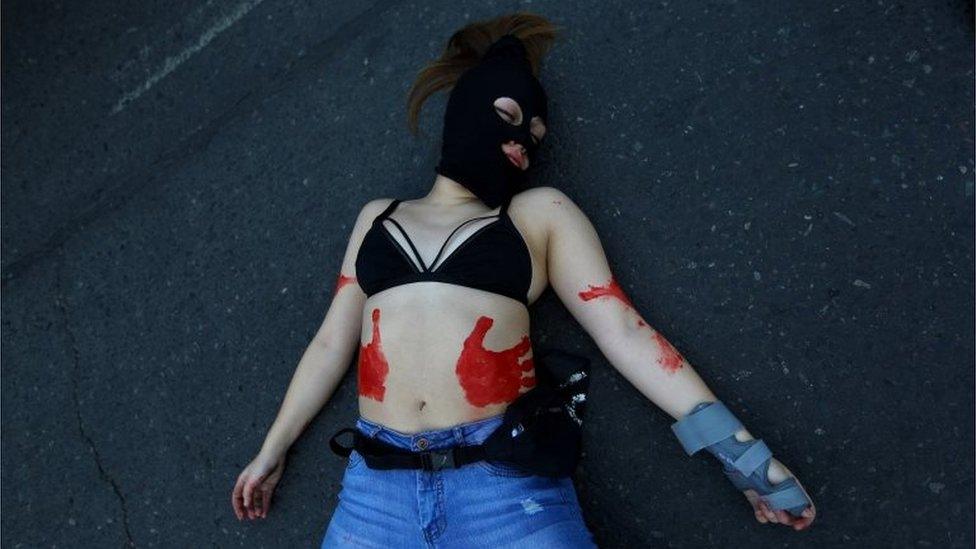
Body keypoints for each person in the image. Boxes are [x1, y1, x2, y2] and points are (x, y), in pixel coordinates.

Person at [231, 12, 817, 547]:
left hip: (504, 490)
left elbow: (624, 331)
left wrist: (744, 456)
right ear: (465, 111)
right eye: (509, 120)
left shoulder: (538, 215)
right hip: (373, 495)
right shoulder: (377, 217)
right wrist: (271, 450)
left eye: (533, 139)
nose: (520, 146)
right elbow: (333, 342)